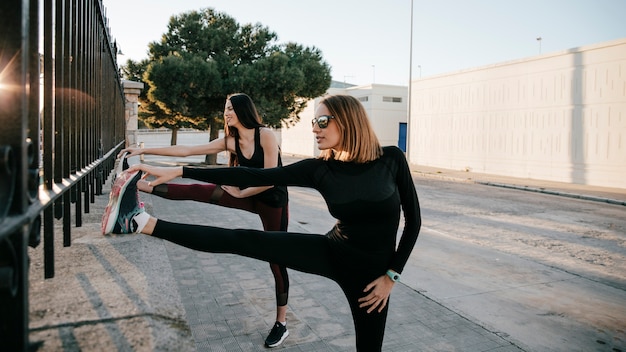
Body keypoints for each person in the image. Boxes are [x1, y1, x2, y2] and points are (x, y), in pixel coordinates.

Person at [102, 94, 421, 351]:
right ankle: (139, 221)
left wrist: (391, 276)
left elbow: (414, 221)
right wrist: (183, 171)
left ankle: (282, 322)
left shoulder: (391, 159)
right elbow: (254, 174)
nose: (315, 128)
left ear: (348, 120)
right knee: (242, 240)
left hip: (372, 279)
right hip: (332, 250)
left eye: (322, 121)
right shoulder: (320, 169)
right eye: (314, 122)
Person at [114, 93, 291, 348]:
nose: (227, 113)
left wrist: (241, 191)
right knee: (200, 190)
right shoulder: (231, 141)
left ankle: (281, 324)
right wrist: (143, 150)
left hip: (272, 200)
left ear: (243, 109)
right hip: (243, 193)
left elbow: (271, 178)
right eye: (225, 109)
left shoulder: (265, 135)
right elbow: (187, 149)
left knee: (277, 261)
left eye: (230, 108)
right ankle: (139, 186)